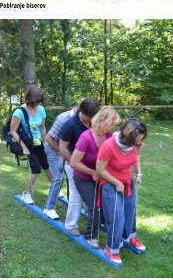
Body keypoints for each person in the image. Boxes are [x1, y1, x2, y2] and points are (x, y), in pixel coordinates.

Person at [96, 118, 147, 265]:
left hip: (127, 182)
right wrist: (117, 182)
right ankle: (111, 249)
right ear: (127, 138)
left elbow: (136, 156)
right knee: (117, 217)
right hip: (110, 183)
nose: (138, 144)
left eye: (140, 141)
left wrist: (138, 174)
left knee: (131, 212)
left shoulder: (134, 145)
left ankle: (129, 237)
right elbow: (100, 169)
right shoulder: (109, 146)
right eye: (136, 141)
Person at [70, 106, 120, 248]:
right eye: (112, 124)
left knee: (105, 202)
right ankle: (90, 236)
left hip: (100, 175)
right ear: (103, 122)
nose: (112, 128)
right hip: (83, 176)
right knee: (95, 206)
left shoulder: (109, 135)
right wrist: (92, 172)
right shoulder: (86, 137)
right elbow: (74, 162)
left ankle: (101, 222)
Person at [58, 98, 100, 235]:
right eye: (89, 117)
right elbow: (62, 148)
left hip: (92, 165)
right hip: (73, 164)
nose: (91, 120)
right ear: (82, 112)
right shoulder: (70, 125)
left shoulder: (94, 121)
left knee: (92, 193)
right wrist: (73, 163)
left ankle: (95, 218)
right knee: (76, 196)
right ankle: (71, 225)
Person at [10, 86, 52, 204]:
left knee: (46, 165)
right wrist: (23, 147)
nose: (38, 104)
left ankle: (52, 188)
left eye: (39, 101)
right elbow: (13, 131)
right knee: (36, 169)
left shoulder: (41, 109)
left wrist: (46, 142)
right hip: (27, 143)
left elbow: (42, 128)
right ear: (29, 99)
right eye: (36, 101)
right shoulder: (19, 112)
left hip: (38, 142)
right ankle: (26, 193)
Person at [43, 107, 77, 219]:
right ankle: (48, 208)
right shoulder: (64, 118)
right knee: (58, 177)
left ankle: (64, 197)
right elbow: (48, 138)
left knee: (70, 175)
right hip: (52, 148)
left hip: (64, 149)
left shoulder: (79, 120)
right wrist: (60, 151)